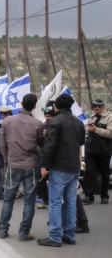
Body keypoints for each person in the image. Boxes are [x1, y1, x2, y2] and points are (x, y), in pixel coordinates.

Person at [38, 94, 85, 247]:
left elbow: (49, 145)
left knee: (55, 202)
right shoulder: (78, 122)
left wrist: (44, 165)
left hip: (59, 166)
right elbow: (82, 141)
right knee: (70, 202)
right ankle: (70, 235)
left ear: (56, 107)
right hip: (74, 166)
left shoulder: (55, 121)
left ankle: (55, 236)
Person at [0, 94, 44, 241]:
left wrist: (7, 160)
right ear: (34, 106)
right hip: (31, 166)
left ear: (21, 103)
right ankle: (24, 233)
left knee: (8, 199)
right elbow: (41, 146)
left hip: (13, 164)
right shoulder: (38, 123)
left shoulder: (7, 121)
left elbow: (2, 145)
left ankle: (3, 230)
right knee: (29, 201)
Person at [83, 99, 112, 205]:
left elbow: (110, 133)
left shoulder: (109, 117)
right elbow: (88, 130)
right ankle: (89, 195)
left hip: (103, 150)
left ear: (103, 107)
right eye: (94, 109)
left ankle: (104, 195)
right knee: (90, 172)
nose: (96, 111)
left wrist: (96, 130)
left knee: (105, 173)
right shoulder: (92, 117)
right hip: (91, 150)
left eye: (97, 109)